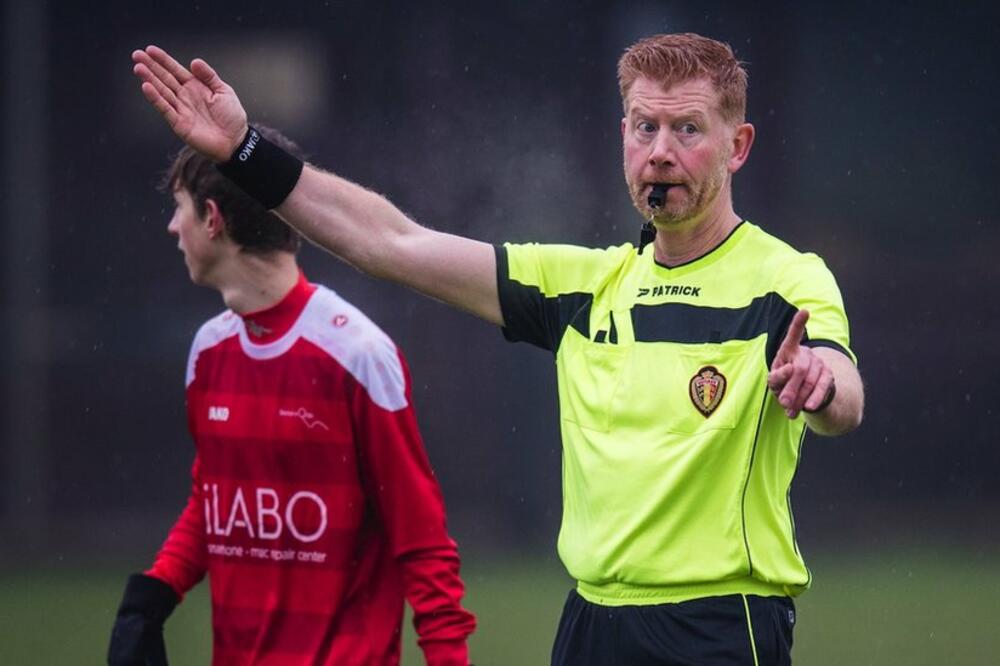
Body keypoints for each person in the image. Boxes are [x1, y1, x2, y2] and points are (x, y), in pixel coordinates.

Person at [131, 32, 865, 665]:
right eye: (645, 128)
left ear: (737, 146)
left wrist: (820, 387)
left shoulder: (785, 278)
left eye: (687, 131)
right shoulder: (585, 284)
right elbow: (393, 244)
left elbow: (843, 392)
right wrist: (244, 151)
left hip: (718, 624)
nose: (661, 153)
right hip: (590, 622)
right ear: (622, 135)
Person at [106, 127, 476, 666]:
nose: (171, 227)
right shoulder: (209, 353)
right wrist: (155, 594)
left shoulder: (356, 354)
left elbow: (422, 542)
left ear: (212, 219)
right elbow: (217, 499)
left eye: (179, 208)